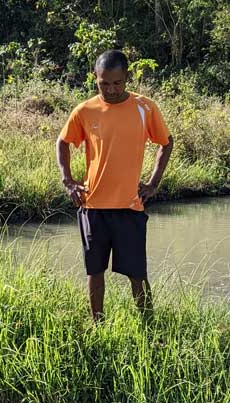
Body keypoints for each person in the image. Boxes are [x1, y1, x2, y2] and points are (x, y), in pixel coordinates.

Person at [56, 50, 173, 321]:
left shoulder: (145, 108)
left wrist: (153, 182)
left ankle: (149, 326)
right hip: (92, 206)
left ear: (127, 78)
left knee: (137, 275)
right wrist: (69, 181)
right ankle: (98, 325)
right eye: (103, 83)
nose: (110, 89)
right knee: (94, 273)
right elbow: (62, 142)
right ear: (95, 79)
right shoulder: (85, 111)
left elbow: (166, 142)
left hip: (129, 207)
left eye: (117, 83)